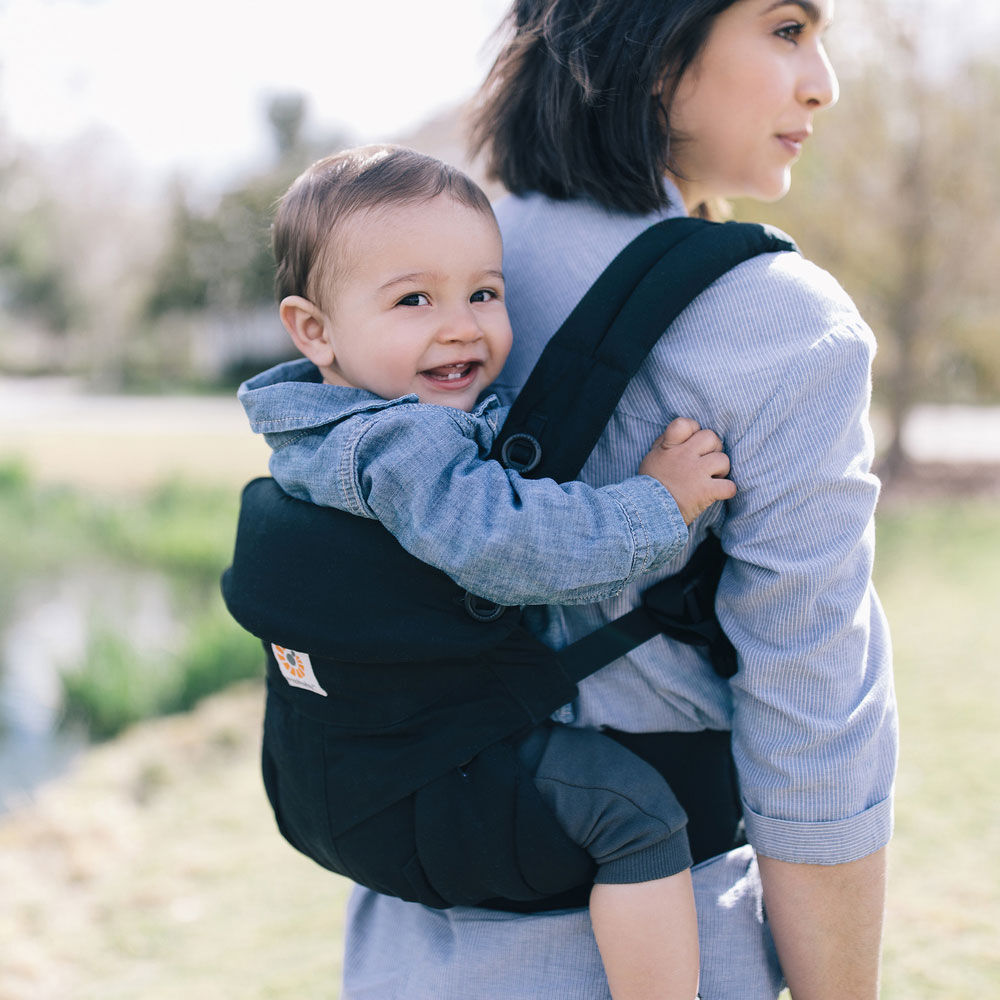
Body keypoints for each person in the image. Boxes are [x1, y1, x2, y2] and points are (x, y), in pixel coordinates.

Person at [340, 2, 898, 999]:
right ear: (650, 51)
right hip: (653, 943)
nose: (823, 82)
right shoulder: (778, 320)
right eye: (783, 28)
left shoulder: (433, 270)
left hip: (408, 941)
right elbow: (815, 722)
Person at [238, 144, 741, 1000]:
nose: (462, 324)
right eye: (414, 299)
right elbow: (513, 549)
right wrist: (662, 504)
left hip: (332, 776)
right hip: (429, 775)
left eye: (484, 292)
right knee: (640, 814)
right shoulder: (403, 444)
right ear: (313, 329)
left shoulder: (314, 431)